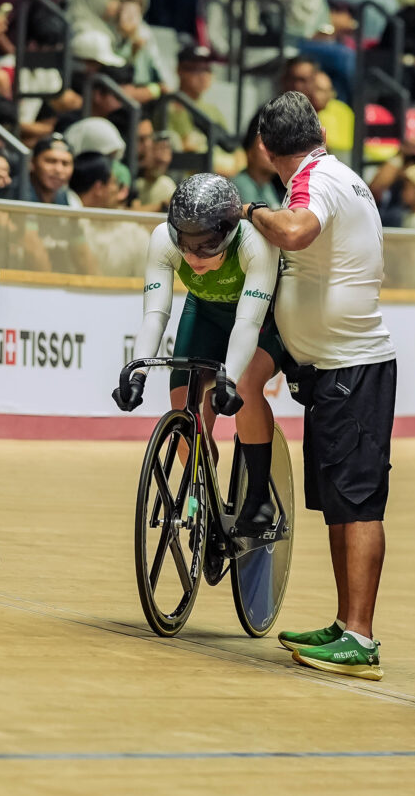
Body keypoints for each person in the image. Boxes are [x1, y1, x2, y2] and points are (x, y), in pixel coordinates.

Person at [243, 92, 395, 677]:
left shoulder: (314, 180)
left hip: (352, 367)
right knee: (339, 504)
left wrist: (251, 210)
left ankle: (361, 636)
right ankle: (344, 623)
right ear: (321, 134)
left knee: (357, 504)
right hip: (336, 368)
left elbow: (296, 231)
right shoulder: (339, 175)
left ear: (264, 149)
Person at [117, 172, 288, 532]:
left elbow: (247, 322)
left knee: (246, 386)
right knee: (184, 412)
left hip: (260, 321)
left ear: (228, 233)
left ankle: (259, 497)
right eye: (186, 245)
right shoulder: (163, 239)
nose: (194, 257)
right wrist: (137, 374)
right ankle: (205, 499)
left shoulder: (255, 243)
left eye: (207, 247)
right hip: (205, 316)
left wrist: (230, 378)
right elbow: (155, 314)